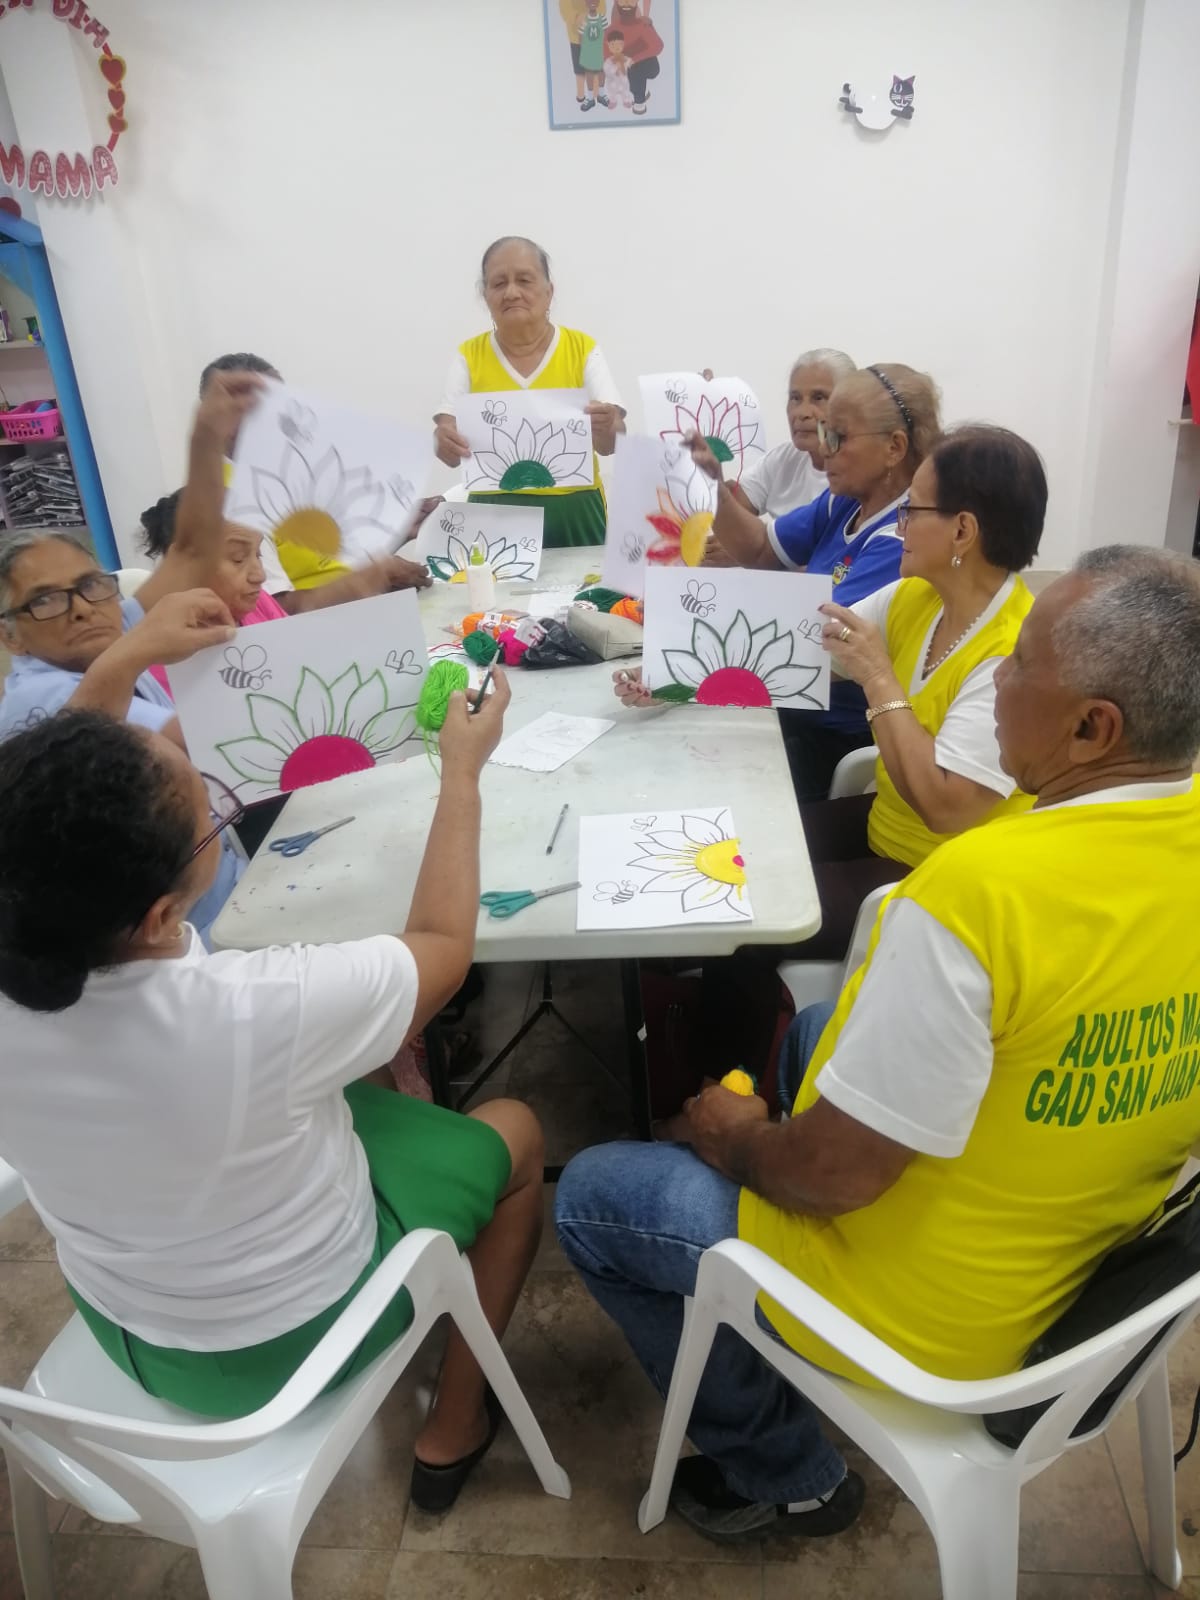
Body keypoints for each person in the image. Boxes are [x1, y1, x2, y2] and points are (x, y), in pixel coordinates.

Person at [557, 544, 1200, 1544]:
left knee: (595, 1193)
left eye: (1019, 663)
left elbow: (834, 1178)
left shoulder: (980, 892)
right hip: (1091, 1262)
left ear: (1092, 727)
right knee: (820, 1031)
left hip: (928, 1322)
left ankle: (787, 1471)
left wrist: (737, 1138)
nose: (996, 680)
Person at [0, 671, 546, 1512]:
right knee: (517, 1129)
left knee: (343, 1077)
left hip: (127, 1327)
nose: (215, 813)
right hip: (298, 1343)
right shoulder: (255, 1008)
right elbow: (443, 943)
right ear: (160, 915)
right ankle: (456, 1423)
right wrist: (463, 773)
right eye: (210, 818)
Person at [0, 374, 265, 944]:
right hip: (174, 934)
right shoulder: (35, 702)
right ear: (11, 637)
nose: (80, 609)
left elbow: (190, 551)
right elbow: (192, 739)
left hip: (226, 881)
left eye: (90, 585)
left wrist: (206, 438)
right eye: (44, 600)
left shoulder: (109, 624)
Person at [617, 362, 942, 800]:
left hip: (831, 730)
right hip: (787, 700)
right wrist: (715, 488)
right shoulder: (845, 502)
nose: (823, 449)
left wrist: (679, 670)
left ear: (894, 447)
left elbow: (813, 645)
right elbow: (760, 549)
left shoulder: (900, 541)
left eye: (837, 437)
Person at [196, 352, 440, 599]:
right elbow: (274, 608)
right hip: (331, 620)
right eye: (267, 406)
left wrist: (397, 532)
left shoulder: (293, 471)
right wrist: (373, 578)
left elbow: (338, 563)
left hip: (368, 606)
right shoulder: (228, 499)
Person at [433, 237, 626, 548]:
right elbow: (447, 443)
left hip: (577, 514)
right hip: (494, 516)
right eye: (499, 283)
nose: (511, 292)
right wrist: (444, 442)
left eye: (524, 280)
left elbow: (612, 443)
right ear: (485, 296)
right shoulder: (468, 357)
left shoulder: (582, 349)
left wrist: (606, 426)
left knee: (586, 581)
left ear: (549, 291)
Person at [732, 349, 856, 533]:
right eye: (795, 398)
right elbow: (729, 509)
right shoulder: (784, 460)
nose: (802, 413)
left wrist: (755, 544)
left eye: (818, 398)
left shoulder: (861, 475)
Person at [608, 0, 664, 114]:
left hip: (649, 65)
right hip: (629, 63)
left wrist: (634, 59)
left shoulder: (642, 24)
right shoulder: (614, 27)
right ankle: (640, 91)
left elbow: (658, 46)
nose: (626, 3)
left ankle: (639, 100)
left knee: (634, 66)